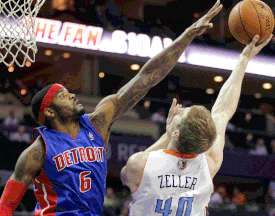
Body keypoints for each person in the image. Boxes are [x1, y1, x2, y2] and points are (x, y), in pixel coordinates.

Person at [0, 1, 222, 215]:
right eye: (62, 95)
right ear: (49, 111)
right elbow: (7, 202)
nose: (72, 95)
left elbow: (146, 77)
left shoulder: (97, 123)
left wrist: (188, 35)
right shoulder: (37, 151)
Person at [120, 24, 273, 216]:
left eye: (182, 113)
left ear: (176, 132)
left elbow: (125, 174)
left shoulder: (139, 165)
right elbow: (223, 111)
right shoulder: (209, 164)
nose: (181, 109)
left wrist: (166, 136)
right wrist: (244, 59)